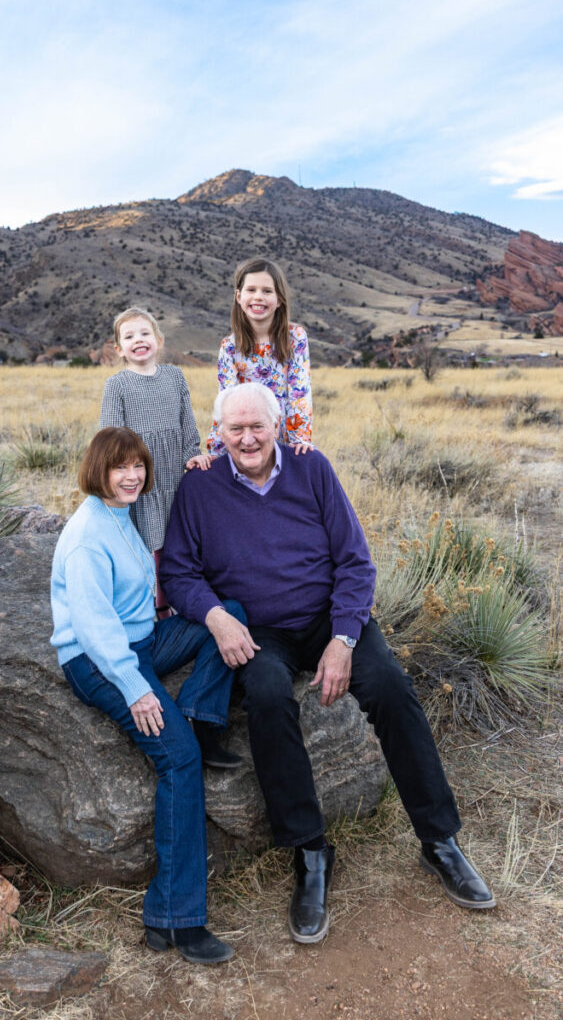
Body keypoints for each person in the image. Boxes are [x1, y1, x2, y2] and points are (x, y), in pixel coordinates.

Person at [161, 383, 495, 945]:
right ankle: (310, 854)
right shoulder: (198, 487)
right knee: (267, 696)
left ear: (278, 426)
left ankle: (439, 841)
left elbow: (355, 561)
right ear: (217, 432)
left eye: (257, 426)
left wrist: (343, 638)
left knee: (388, 684)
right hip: (259, 630)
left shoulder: (313, 470)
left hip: (326, 617)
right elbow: (179, 571)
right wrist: (216, 618)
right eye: (234, 428)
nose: (246, 438)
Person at [50, 426, 246, 964]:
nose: (132, 475)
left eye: (138, 465)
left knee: (226, 618)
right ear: (99, 471)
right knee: (179, 761)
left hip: (141, 640)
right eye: (120, 467)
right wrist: (137, 689)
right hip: (100, 663)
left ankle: (199, 714)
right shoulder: (89, 533)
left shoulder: (120, 515)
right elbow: (93, 627)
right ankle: (175, 920)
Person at [99, 307, 211, 615]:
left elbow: (188, 425)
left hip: (174, 473)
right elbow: (110, 436)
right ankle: (153, 607)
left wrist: (192, 456)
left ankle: (184, 600)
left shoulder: (175, 377)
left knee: (178, 542)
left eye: (145, 333)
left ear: (158, 340)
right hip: (142, 479)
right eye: (129, 336)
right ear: (119, 348)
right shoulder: (117, 385)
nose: (139, 340)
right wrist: (122, 475)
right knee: (148, 544)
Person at [207, 258, 313, 456]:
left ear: (279, 298)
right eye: (251, 290)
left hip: (284, 435)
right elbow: (226, 401)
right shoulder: (230, 346)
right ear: (239, 296)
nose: (258, 297)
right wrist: (217, 449)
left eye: (267, 291)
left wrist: (300, 440)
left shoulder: (295, 337)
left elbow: (300, 394)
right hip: (246, 438)